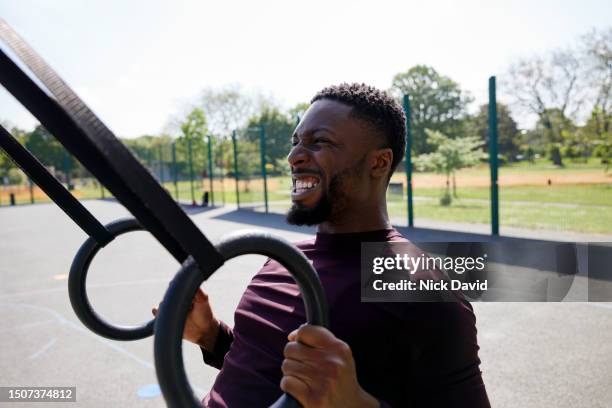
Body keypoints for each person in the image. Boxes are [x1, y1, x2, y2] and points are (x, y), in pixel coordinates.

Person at [154, 83, 490, 407]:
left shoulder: (421, 288)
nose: (294, 156)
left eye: (320, 142)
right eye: (296, 141)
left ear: (379, 163)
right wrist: (211, 335)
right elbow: (269, 371)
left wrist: (357, 405)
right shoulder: (283, 260)